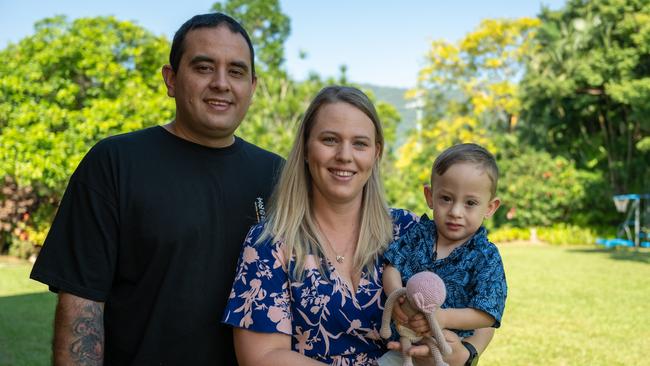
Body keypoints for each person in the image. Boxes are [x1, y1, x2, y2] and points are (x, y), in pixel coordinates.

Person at [30, 13, 283, 365]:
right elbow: (82, 309)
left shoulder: (278, 176)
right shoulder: (115, 163)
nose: (222, 83)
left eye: (236, 71)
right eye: (204, 67)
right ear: (171, 79)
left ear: (252, 87)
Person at [222, 86, 493, 366]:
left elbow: (485, 291)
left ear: (376, 153)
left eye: (360, 144)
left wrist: (468, 353)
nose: (344, 155)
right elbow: (262, 357)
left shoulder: (410, 231)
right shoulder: (270, 242)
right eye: (329, 140)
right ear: (305, 147)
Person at [380, 143, 508, 366]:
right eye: (446, 199)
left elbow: (488, 313)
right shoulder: (419, 235)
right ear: (430, 196)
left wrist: (443, 317)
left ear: (490, 207)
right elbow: (393, 265)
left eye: (470, 203)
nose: (455, 212)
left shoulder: (485, 256)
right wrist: (398, 299)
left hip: (445, 352)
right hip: (402, 349)